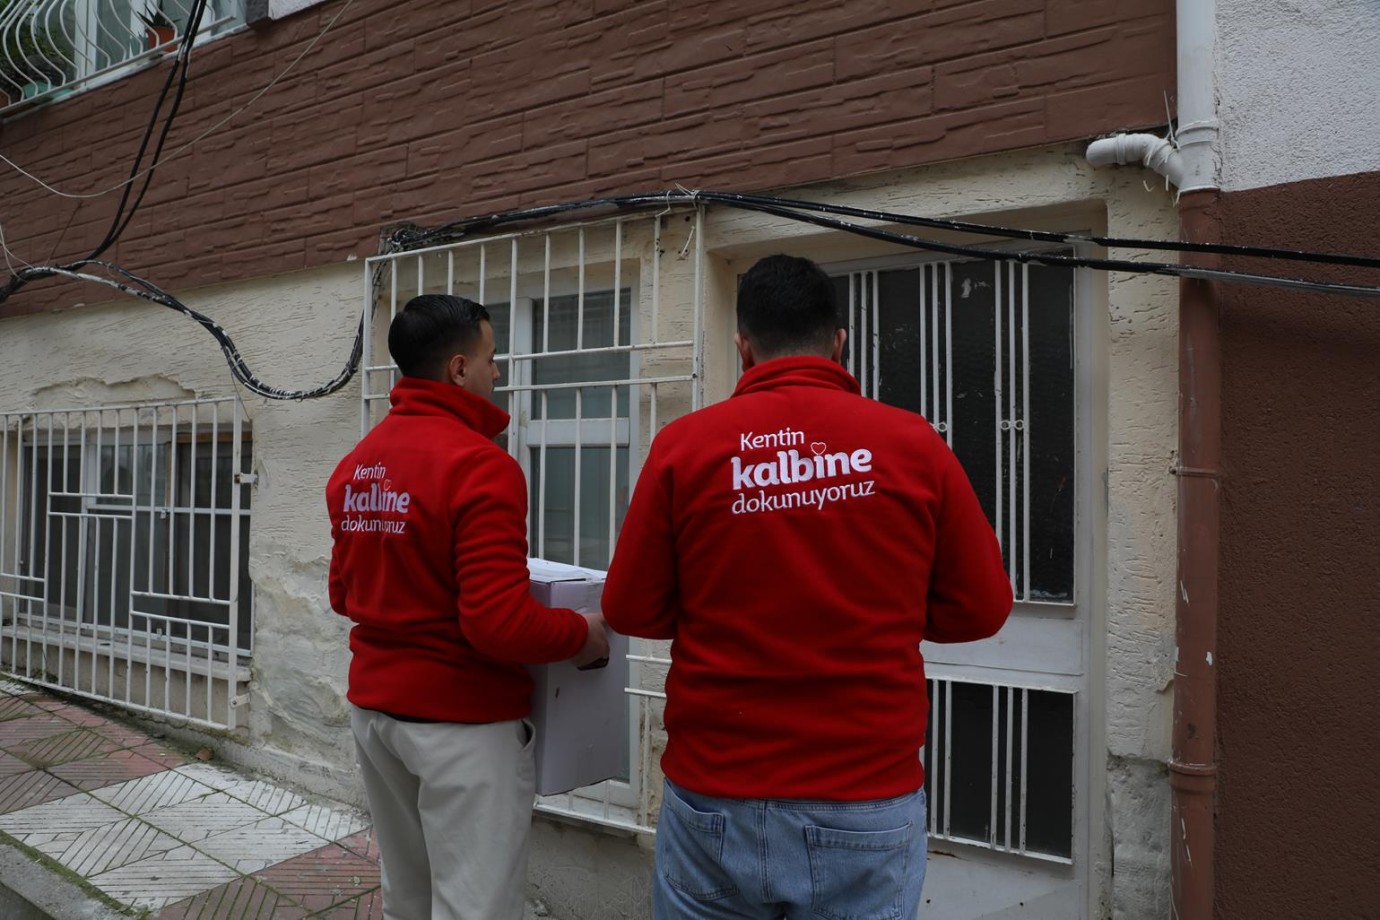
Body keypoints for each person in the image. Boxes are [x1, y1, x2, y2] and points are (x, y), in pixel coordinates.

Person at [602, 254, 1013, 919]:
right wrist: (887, 610)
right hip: (863, 797)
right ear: (839, 342)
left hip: (715, 794)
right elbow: (983, 608)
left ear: (743, 347)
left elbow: (629, 607)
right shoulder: (911, 444)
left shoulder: (685, 447)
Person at [326, 294, 609, 920]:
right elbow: (497, 623)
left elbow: (343, 595)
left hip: (376, 715)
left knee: (410, 896)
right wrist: (581, 634)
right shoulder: (481, 467)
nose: (498, 373)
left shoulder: (357, 465)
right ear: (458, 369)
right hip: (462, 726)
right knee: (474, 908)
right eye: (491, 358)